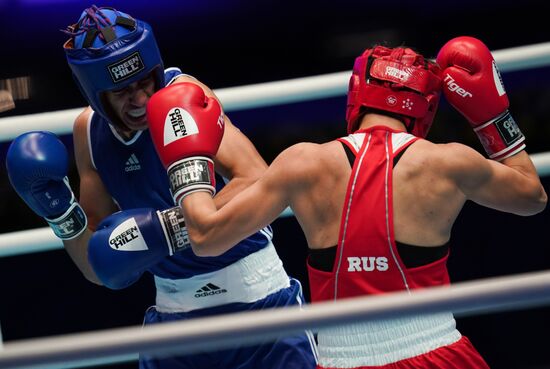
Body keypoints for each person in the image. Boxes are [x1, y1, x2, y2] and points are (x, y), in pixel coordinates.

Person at [146, 36, 547, 368]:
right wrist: (492, 118)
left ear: (356, 96)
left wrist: (188, 161)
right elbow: (532, 198)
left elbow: (205, 235)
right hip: (437, 351)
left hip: (340, 357)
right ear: (424, 108)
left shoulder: (302, 163)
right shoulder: (447, 162)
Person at [5, 5, 317, 369]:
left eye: (144, 82)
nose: (139, 100)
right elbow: (99, 266)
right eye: (122, 91)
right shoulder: (89, 134)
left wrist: (168, 229)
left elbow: (260, 182)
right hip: (174, 318)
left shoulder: (182, 97)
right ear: (95, 94)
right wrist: (61, 214)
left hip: (260, 302)